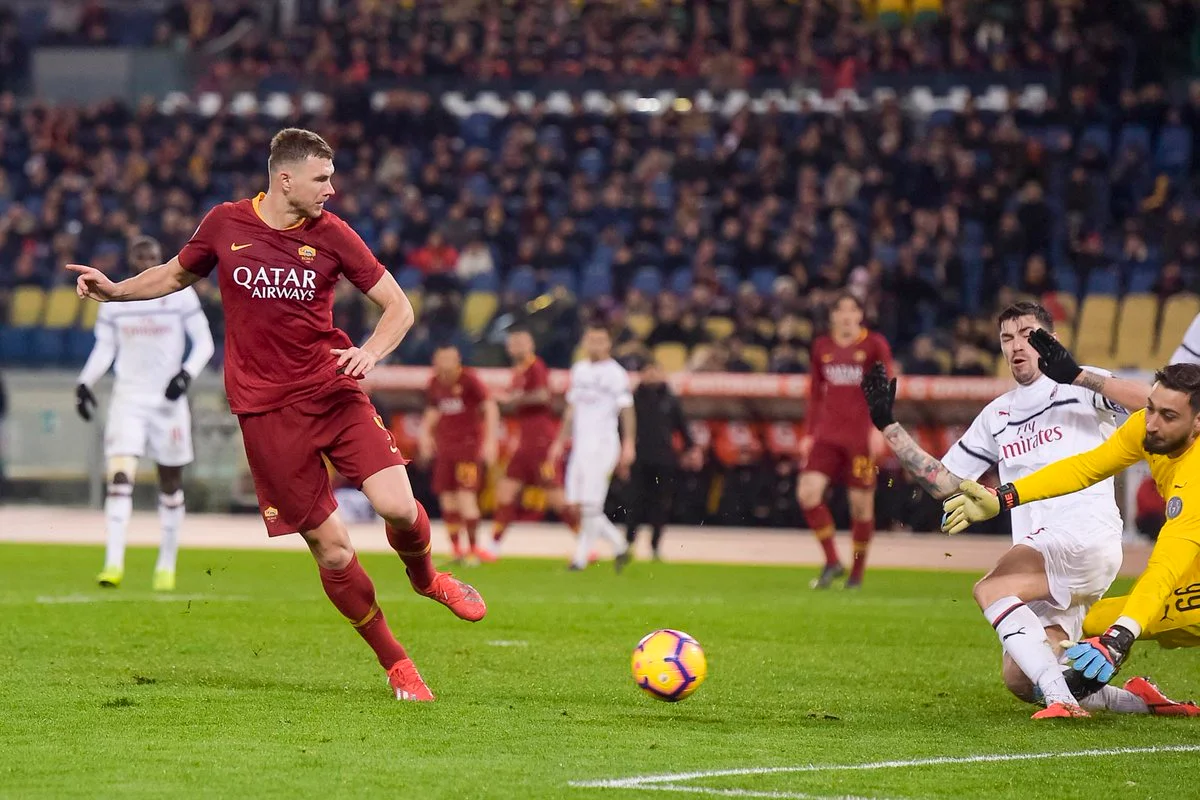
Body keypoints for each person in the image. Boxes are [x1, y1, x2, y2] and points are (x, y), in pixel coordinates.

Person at [67, 128, 485, 703]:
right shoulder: (225, 224)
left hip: (332, 392)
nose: (331, 190)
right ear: (285, 179)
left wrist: (370, 352)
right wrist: (115, 292)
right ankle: (397, 664)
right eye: (322, 179)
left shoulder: (334, 234)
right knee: (333, 550)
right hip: (265, 413)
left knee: (397, 506)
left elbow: (398, 306)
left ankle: (428, 578)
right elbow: (172, 274)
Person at [864, 301, 1197, 719]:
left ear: (1049, 341)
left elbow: (1148, 404)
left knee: (991, 589)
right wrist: (889, 427)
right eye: (1007, 338)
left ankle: (1063, 702)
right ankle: (1140, 701)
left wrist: (1076, 374)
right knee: (1022, 678)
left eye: (1027, 335)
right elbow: (946, 484)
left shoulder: (1081, 385)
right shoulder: (996, 415)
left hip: (1082, 532)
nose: (1016, 345)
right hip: (1042, 552)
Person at [943, 362, 1200, 714]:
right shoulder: (1145, 429)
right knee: (1094, 625)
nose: (1151, 423)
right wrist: (1004, 496)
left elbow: (1164, 569)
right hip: (1190, 562)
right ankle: (1139, 701)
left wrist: (1120, 638)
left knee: (1119, 628)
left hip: (1182, 563)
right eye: (1151, 408)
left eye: (1168, 416)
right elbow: (1085, 467)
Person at [74, 236, 215, 591]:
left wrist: (185, 375)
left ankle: (165, 567)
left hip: (168, 402)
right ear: (131, 259)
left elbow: (204, 342)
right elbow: (105, 348)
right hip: (129, 399)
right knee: (120, 479)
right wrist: (85, 382)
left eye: (152, 255)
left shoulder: (180, 295)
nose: (147, 261)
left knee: (170, 484)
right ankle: (113, 564)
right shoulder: (115, 299)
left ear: (160, 257)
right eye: (140, 256)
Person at [801, 292, 892, 589]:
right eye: (840, 310)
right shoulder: (822, 346)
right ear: (832, 316)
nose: (846, 316)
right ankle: (832, 561)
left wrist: (879, 428)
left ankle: (856, 575)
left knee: (861, 506)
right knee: (807, 494)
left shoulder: (874, 345)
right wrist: (808, 433)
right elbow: (815, 393)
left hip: (860, 437)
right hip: (827, 434)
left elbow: (885, 388)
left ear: (860, 315)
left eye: (852, 310)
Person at [548, 323, 635, 571]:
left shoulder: (616, 373)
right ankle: (619, 545)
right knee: (578, 504)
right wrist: (559, 441)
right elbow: (571, 409)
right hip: (581, 445)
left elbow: (627, 409)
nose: (595, 345)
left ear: (609, 344)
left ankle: (580, 558)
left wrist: (628, 443)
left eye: (600, 340)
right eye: (591, 340)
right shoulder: (579, 370)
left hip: (603, 444)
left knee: (590, 505)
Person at [490, 327, 579, 554]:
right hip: (525, 441)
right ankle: (494, 545)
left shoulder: (535, 366)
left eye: (520, 343)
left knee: (555, 496)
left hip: (541, 440)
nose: (515, 347)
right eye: (513, 344)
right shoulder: (518, 371)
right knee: (506, 491)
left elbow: (542, 395)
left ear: (530, 345)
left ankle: (584, 542)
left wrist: (511, 399)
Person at [419, 344, 498, 564]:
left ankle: (473, 549)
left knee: (466, 497)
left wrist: (490, 441)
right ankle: (456, 549)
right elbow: (433, 410)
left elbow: (490, 407)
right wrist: (425, 435)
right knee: (447, 499)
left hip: (467, 449)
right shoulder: (434, 383)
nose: (444, 364)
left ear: (457, 360)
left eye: (449, 359)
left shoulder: (469, 380)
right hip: (445, 449)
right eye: (441, 359)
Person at [625, 360, 700, 560]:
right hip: (639, 458)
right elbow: (622, 428)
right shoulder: (633, 399)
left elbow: (682, 426)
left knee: (660, 504)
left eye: (655, 371)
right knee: (635, 502)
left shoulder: (670, 399)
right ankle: (628, 543)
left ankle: (655, 545)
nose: (652, 375)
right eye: (648, 371)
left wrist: (691, 449)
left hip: (664, 459)